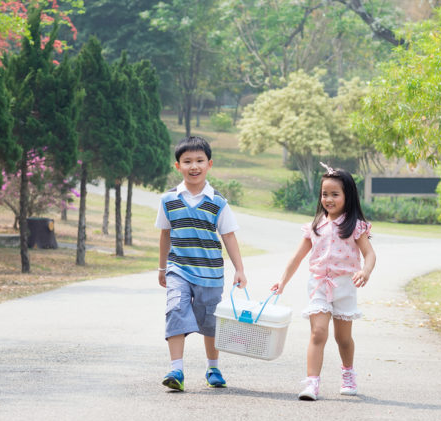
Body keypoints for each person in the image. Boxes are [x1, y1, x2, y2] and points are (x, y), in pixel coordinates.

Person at [271, 163, 376, 401]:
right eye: (324, 194)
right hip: (319, 285)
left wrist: (366, 271)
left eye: (335, 194)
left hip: (345, 287)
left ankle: (348, 373)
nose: (328, 199)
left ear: (347, 196)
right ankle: (312, 383)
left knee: (343, 338)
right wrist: (282, 281)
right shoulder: (315, 227)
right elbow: (297, 258)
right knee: (318, 333)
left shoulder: (355, 226)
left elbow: (370, 254)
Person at [156, 135, 247, 392]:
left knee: (210, 321)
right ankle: (176, 369)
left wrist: (239, 269)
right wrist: (162, 268)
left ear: (209, 164)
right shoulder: (168, 200)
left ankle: (213, 367)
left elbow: (228, 235)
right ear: (178, 166)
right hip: (178, 269)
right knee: (175, 309)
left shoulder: (218, 202)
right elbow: (165, 234)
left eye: (199, 160)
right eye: (187, 161)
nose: (193, 166)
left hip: (210, 274)